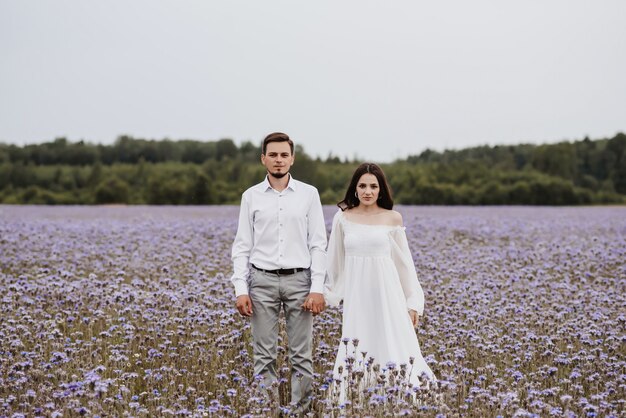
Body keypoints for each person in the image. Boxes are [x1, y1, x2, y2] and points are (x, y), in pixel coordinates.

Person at [231, 132, 327, 413]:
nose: (278, 160)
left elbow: (318, 243)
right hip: (261, 281)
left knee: (301, 356)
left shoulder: (310, 195)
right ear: (263, 159)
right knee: (263, 356)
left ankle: (301, 412)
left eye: (284, 154)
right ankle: (267, 410)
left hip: (300, 280)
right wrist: (241, 289)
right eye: (273, 155)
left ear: (292, 159)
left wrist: (317, 287)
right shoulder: (251, 197)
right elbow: (241, 246)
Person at [325, 162, 436, 400]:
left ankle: (400, 399)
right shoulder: (343, 218)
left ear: (380, 189)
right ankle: (357, 400)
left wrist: (413, 301)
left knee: (393, 341)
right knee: (358, 343)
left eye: (373, 186)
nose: (367, 191)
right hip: (357, 296)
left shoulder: (392, 218)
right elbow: (334, 263)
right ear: (355, 189)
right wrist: (327, 295)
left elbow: (404, 264)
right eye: (362, 185)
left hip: (388, 294)